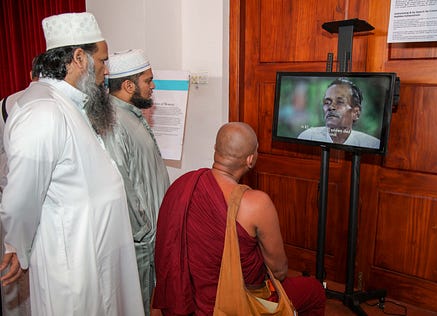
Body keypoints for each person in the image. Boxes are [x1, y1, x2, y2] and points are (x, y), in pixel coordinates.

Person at [0, 12, 144, 316]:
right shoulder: (43, 111)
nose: (107, 69)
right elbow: (21, 197)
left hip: (96, 255)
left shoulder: (70, 103)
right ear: (79, 58)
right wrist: (16, 246)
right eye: (103, 60)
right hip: (72, 265)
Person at [153, 122, 326, 315]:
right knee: (314, 290)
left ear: (215, 151)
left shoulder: (182, 185)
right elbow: (279, 271)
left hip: (188, 298)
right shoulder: (256, 203)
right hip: (235, 303)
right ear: (250, 159)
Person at [103, 49, 170, 316]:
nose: (153, 86)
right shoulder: (113, 122)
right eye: (148, 80)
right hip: (139, 240)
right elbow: (120, 181)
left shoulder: (130, 114)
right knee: (138, 305)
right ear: (129, 85)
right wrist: (143, 230)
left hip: (150, 234)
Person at [0, 54, 42, 316]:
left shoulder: (6, 104)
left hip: (9, 203)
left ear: (30, 74)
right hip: (36, 206)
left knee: (13, 275)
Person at [298, 78, 380, 149]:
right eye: (327, 102)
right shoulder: (308, 137)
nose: (330, 107)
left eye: (339, 102)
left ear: (356, 113)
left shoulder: (372, 145)